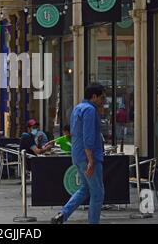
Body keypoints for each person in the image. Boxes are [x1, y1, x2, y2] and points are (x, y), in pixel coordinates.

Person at [51, 83, 106, 225]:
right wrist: (91, 160)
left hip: (77, 154)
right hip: (88, 156)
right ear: (94, 97)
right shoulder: (90, 110)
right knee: (98, 193)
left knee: (85, 188)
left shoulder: (78, 108)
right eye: (102, 97)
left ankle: (63, 214)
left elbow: (76, 133)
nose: (103, 101)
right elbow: (88, 136)